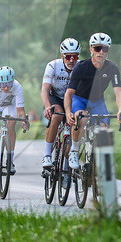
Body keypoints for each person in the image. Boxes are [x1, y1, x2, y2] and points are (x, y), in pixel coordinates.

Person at [64, 32, 121, 170]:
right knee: (82, 119)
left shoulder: (112, 68)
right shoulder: (81, 66)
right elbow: (69, 93)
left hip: (98, 101)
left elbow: (118, 91)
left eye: (105, 49)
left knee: (104, 128)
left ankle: (96, 160)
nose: (101, 52)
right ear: (91, 49)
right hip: (80, 99)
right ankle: (74, 151)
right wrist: (68, 112)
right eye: (97, 48)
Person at [40, 38, 79, 169]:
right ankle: (47, 155)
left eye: (74, 56)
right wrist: (47, 107)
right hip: (55, 97)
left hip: (72, 99)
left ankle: (69, 160)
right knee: (56, 116)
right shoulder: (53, 65)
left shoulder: (80, 67)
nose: (71, 60)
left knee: (76, 119)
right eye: (68, 57)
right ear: (62, 55)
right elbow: (45, 89)